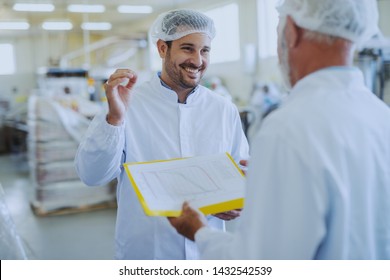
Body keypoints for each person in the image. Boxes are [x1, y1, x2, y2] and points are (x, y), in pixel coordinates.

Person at [169, 0, 390, 259]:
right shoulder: (380, 115)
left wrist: (199, 232)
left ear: (292, 31)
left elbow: (262, 262)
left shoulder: (288, 128)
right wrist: (271, 180)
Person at [74, 9, 249, 260]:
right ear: (162, 49)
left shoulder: (224, 110)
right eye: (187, 48)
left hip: (206, 252)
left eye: (205, 50)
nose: (198, 60)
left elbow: (238, 176)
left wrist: (236, 200)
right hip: (148, 253)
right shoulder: (127, 104)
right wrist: (114, 119)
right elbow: (92, 175)